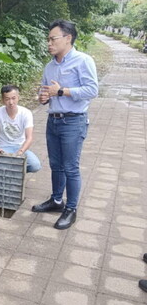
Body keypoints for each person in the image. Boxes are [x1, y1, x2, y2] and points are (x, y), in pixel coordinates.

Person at [32, 19, 98, 230]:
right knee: (55, 164)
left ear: (68, 38)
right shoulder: (50, 66)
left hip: (73, 121)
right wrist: (43, 97)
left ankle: (71, 209)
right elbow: (44, 92)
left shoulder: (83, 61)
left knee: (70, 167)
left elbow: (92, 90)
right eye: (48, 39)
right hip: (53, 120)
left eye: (53, 39)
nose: (49, 43)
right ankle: (56, 200)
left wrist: (61, 91)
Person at [0, 85, 41, 173]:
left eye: (13, 98)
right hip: (3, 147)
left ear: (18, 98)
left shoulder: (26, 113)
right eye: (7, 99)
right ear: (2, 100)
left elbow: (29, 137)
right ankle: (11, 171)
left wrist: (21, 151)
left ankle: (15, 172)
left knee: (35, 165)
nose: (11, 102)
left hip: (19, 147)